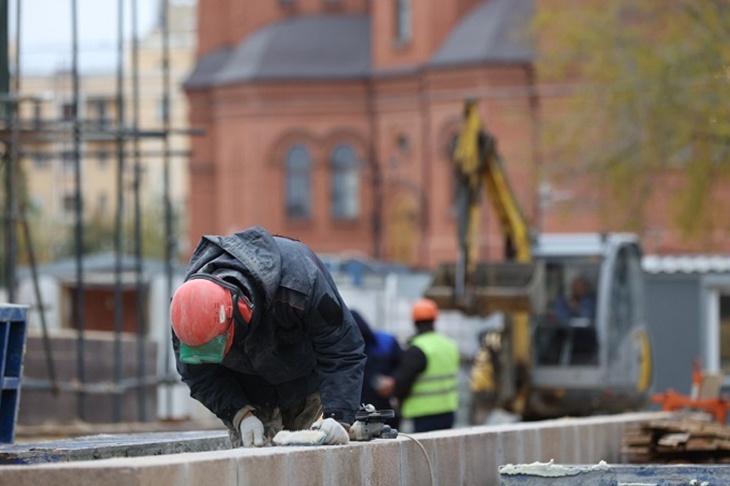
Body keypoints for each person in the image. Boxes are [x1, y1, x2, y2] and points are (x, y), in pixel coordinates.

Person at [170, 226, 366, 448]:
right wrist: (240, 414)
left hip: (303, 378)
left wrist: (339, 418)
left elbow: (342, 347)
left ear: (242, 312)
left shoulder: (299, 285)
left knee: (307, 463)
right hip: (245, 388)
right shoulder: (187, 315)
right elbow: (199, 375)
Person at [378, 298, 460, 432]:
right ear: (434, 319)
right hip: (448, 412)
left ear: (414, 321)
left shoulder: (417, 349)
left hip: (423, 416)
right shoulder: (449, 345)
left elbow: (403, 383)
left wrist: (393, 391)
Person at [350, 309, 403, 430]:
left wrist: (393, 381)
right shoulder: (335, 349)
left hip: (385, 412)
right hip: (356, 416)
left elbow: (403, 367)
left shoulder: (386, 342)